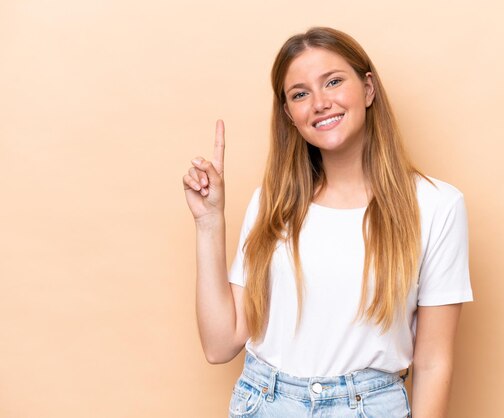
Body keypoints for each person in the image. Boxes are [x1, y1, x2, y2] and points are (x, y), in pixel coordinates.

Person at [182, 27, 473, 418]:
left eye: (333, 82)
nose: (319, 103)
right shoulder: (273, 203)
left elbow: (434, 363)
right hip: (265, 404)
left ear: (368, 89)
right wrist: (209, 222)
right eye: (300, 94)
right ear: (290, 114)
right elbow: (219, 345)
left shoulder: (437, 206)